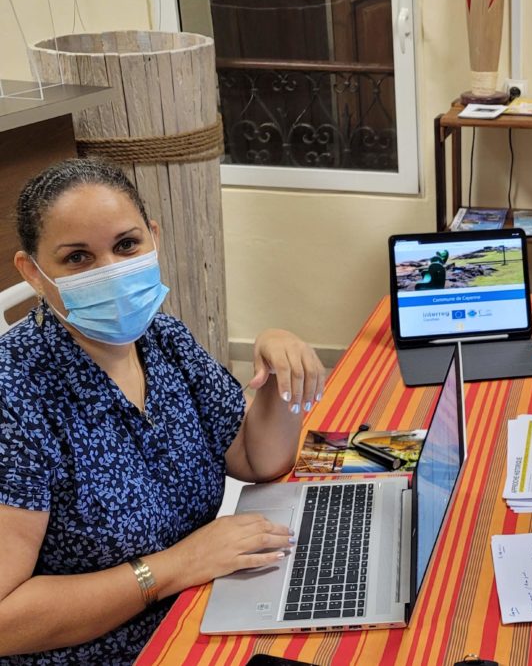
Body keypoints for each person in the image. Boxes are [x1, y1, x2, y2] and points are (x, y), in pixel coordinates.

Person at [0, 158, 326, 664]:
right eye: (78, 258)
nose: (110, 270)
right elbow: (5, 622)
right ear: (34, 273)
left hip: (197, 610)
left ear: (154, 237)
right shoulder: (15, 394)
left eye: (126, 245)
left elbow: (255, 460)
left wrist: (275, 372)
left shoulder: (163, 339)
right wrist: (175, 566)